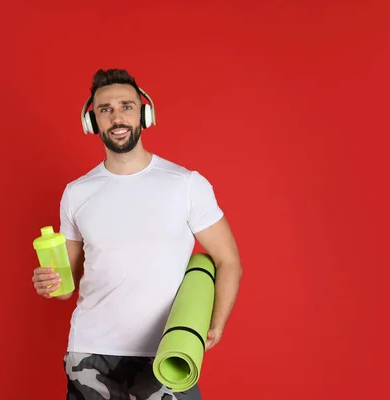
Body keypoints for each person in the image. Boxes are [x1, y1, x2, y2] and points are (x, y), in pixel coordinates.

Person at [31, 69, 242, 399]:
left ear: (144, 114)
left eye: (126, 106)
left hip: (167, 350)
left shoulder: (186, 185)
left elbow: (228, 260)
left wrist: (215, 325)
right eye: (105, 109)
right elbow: (65, 287)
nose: (117, 116)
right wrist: (50, 284)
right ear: (93, 122)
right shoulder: (76, 193)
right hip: (90, 352)